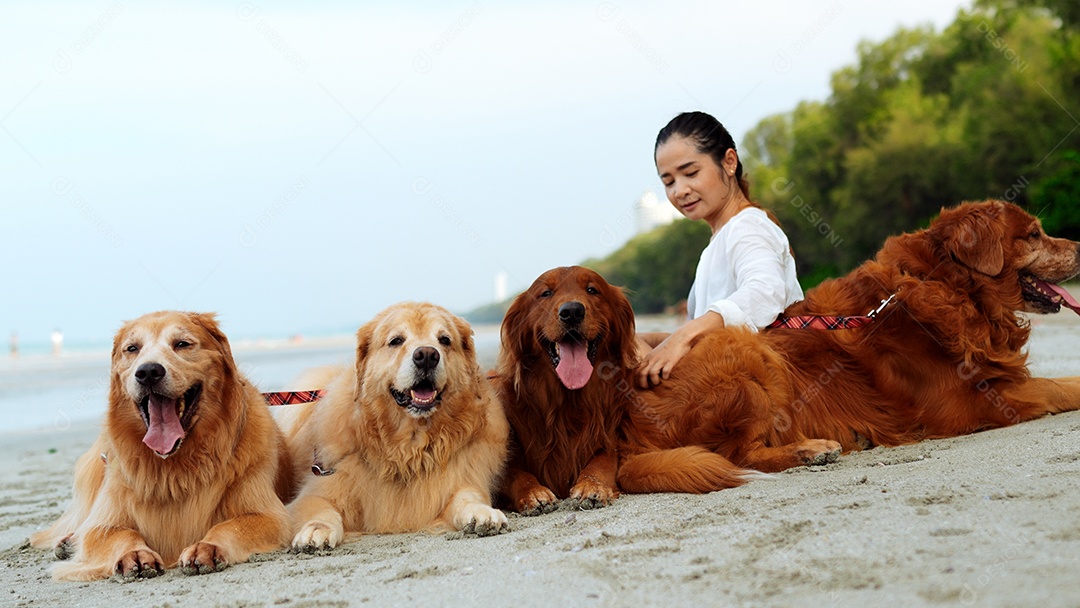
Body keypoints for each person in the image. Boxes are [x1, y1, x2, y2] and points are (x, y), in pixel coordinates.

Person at [636, 111, 803, 388]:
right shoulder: (719, 240)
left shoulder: (748, 227)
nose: (680, 190)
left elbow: (764, 292)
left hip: (762, 390)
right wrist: (655, 339)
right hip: (733, 382)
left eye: (691, 173)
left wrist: (684, 336)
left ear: (729, 162)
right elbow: (710, 336)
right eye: (668, 182)